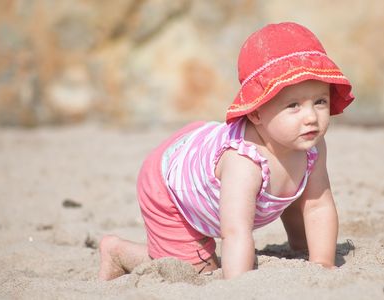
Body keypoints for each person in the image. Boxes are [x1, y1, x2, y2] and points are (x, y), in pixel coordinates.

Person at [99, 22, 354, 280]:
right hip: (169, 184)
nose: (311, 117)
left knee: (305, 194)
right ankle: (118, 250)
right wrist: (238, 285)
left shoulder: (310, 143)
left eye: (320, 101)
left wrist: (322, 263)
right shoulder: (244, 161)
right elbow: (235, 232)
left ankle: (301, 245)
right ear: (255, 112)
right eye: (293, 106)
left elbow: (318, 205)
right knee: (197, 270)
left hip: (201, 142)